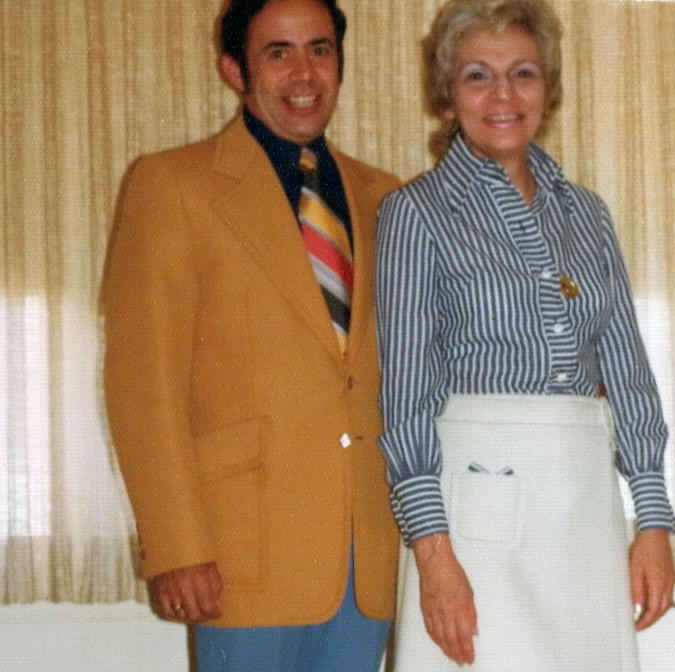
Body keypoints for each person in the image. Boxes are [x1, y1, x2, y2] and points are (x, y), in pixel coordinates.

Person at [375, 0, 675, 670]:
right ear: (447, 96)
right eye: (478, 75)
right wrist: (434, 556)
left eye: (523, 74)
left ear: (548, 91)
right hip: (475, 516)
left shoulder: (587, 214)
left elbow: (627, 370)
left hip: (584, 508)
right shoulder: (414, 215)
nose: (503, 95)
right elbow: (406, 398)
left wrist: (651, 519)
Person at [102, 1, 400, 670]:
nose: (304, 72)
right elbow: (141, 384)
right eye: (279, 52)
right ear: (234, 69)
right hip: (241, 556)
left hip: (369, 555)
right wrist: (177, 544)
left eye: (320, 50)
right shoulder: (173, 185)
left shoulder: (388, 199)